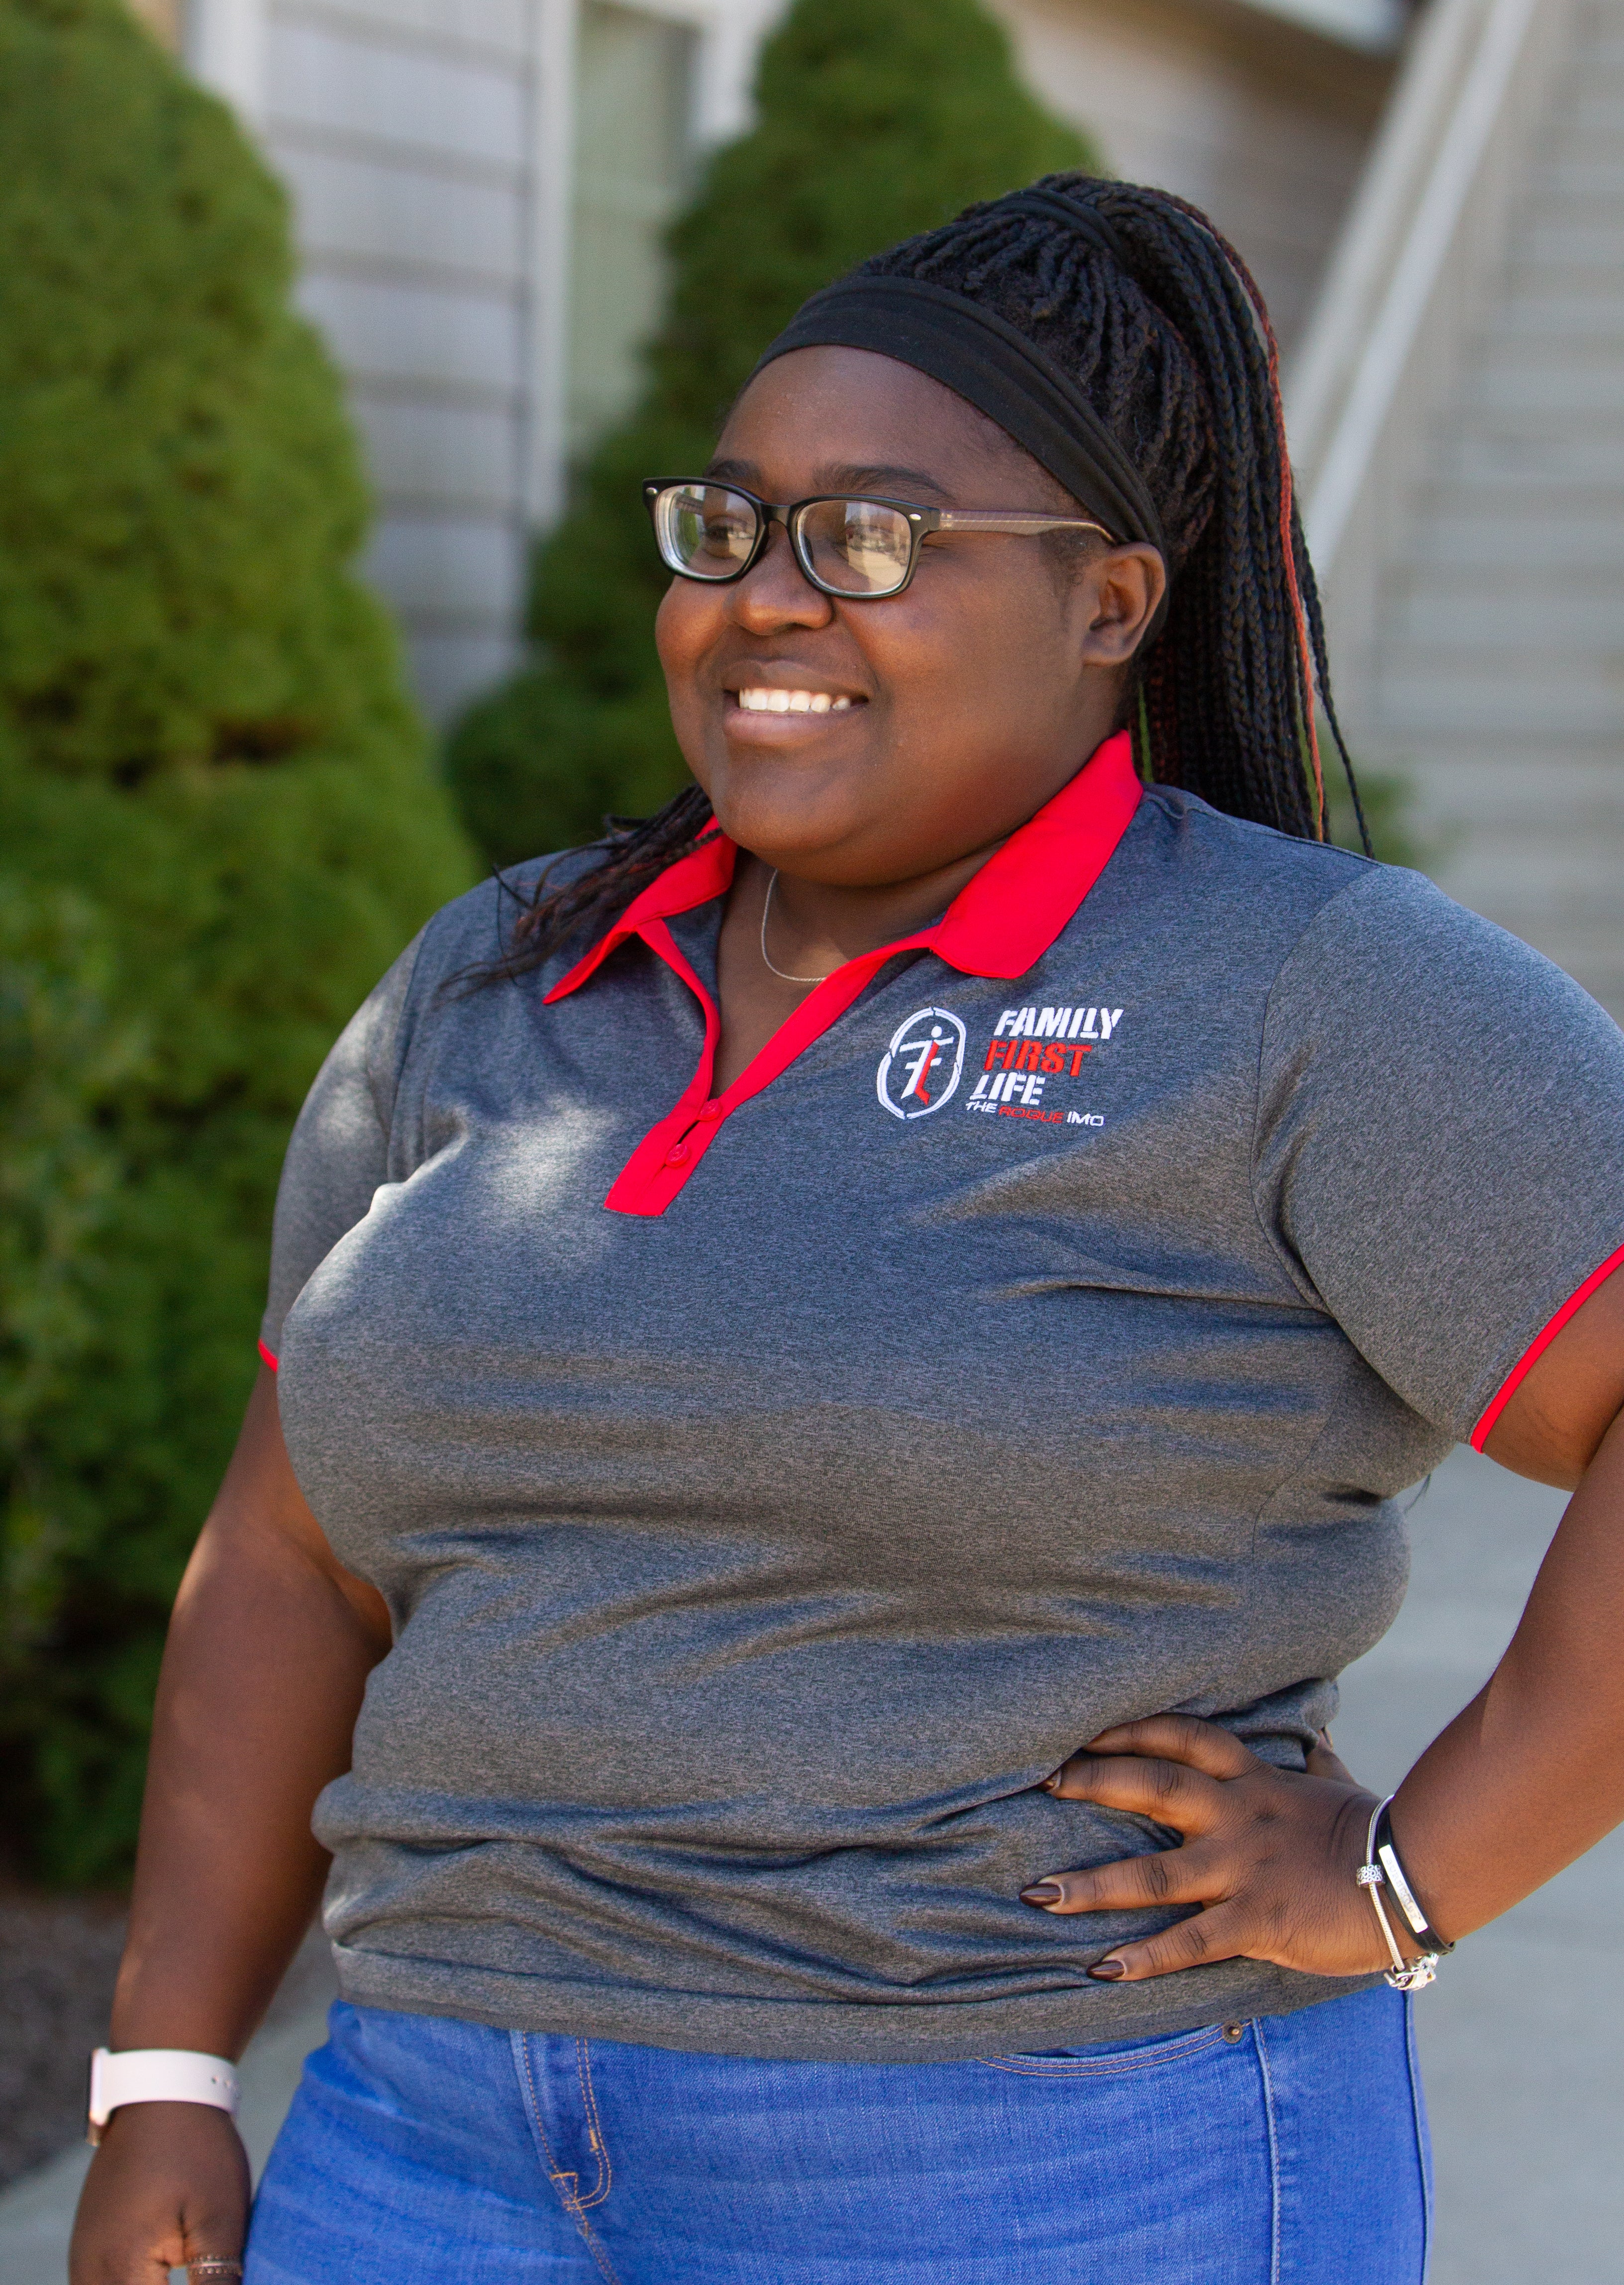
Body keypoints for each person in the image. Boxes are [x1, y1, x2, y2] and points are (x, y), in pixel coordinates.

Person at [72, 179, 1624, 2285]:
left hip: (1042, 2162)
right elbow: (284, 1553)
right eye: (728, 527)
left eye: (875, 538)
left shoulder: (1300, 991)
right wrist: (165, 2081)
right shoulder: (501, 981)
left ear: (1112, 604)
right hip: (432, 2142)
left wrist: (1412, 1882)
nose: (773, 598)